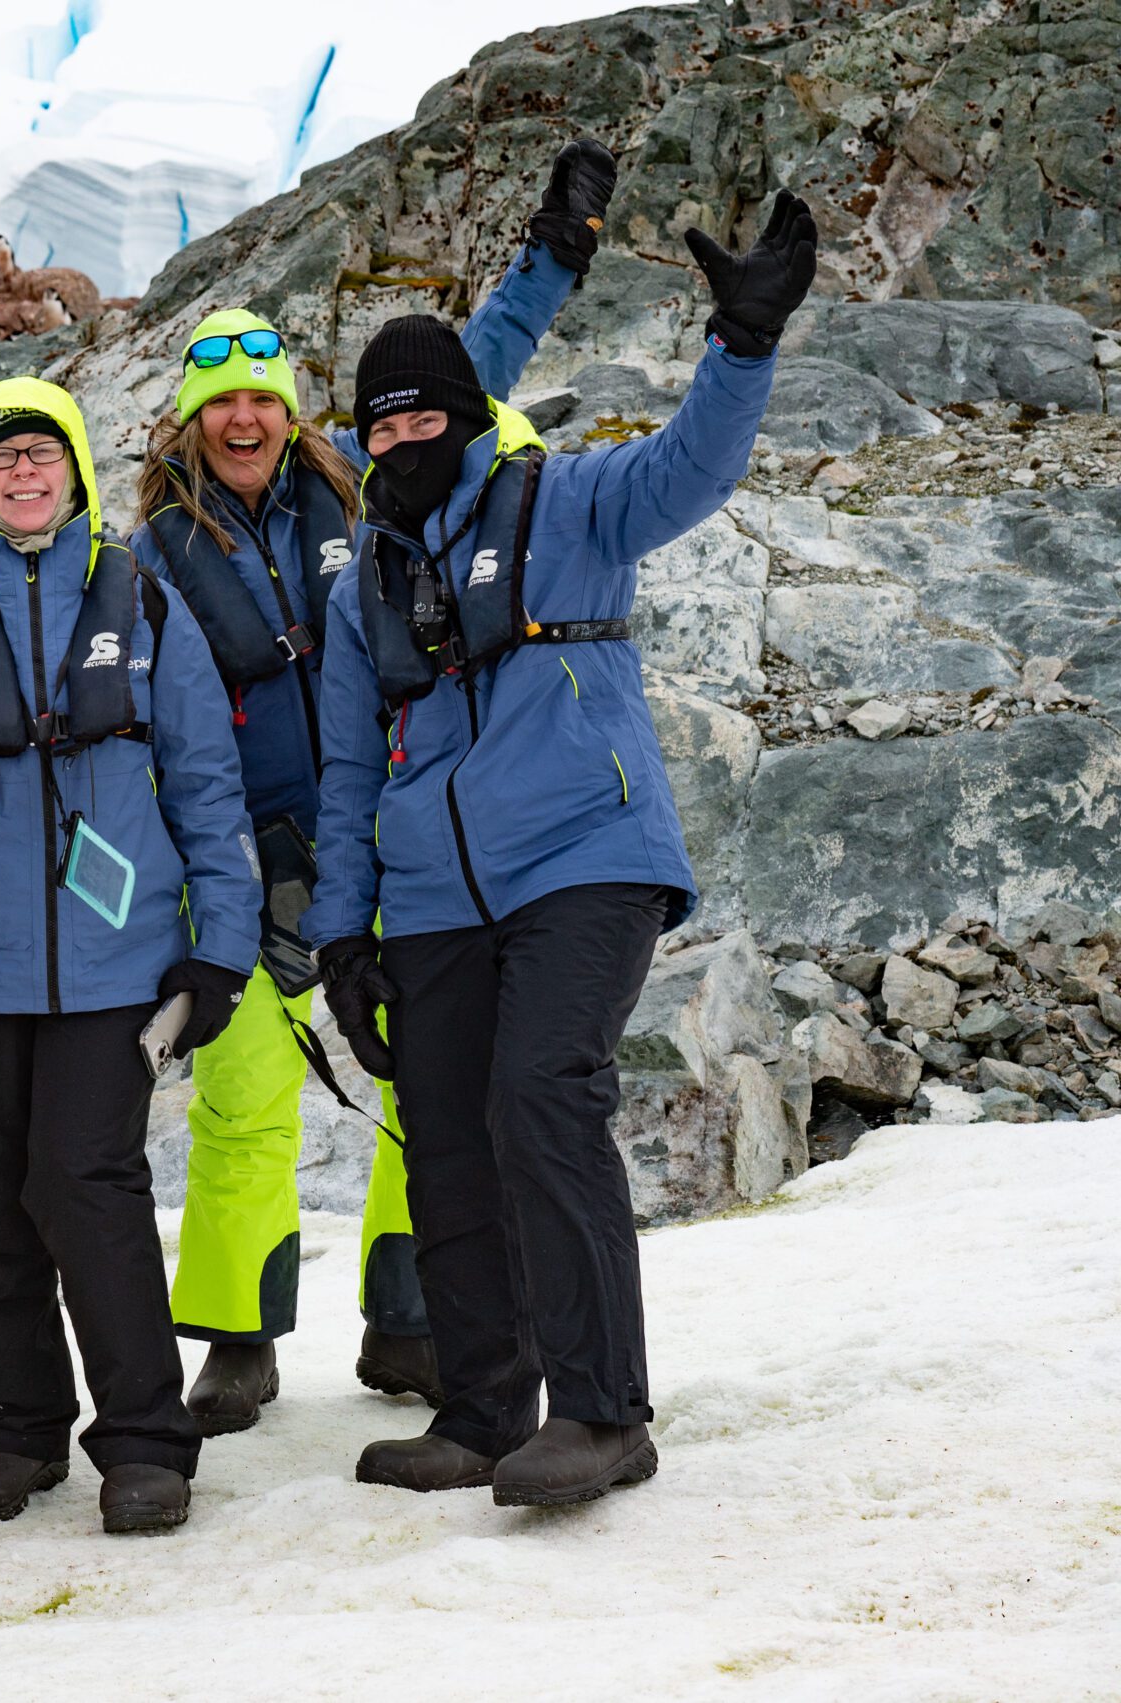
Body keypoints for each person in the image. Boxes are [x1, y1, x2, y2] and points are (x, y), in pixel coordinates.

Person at [307, 191, 818, 1505]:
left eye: (425, 413)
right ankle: (483, 1409)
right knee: (449, 1140)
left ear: (469, 417)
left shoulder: (566, 503)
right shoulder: (366, 574)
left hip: (587, 850)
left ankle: (602, 1411)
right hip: (430, 889)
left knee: (542, 1092)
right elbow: (354, 763)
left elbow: (693, 470)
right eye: (383, 423)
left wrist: (742, 347)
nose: (405, 436)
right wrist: (344, 931)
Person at [129, 139, 618, 1433]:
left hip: (385, 838)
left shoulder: (360, 480)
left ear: (289, 409)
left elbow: (474, 374)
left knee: (421, 1083)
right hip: (234, 858)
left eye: (265, 397)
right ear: (190, 415)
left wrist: (551, 260)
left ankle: (413, 1318)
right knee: (246, 1098)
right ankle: (239, 1333)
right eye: (221, 399)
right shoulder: (153, 553)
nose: (245, 419)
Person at [0, 377, 261, 1536]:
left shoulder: (140, 593)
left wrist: (221, 944)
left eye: (41, 456)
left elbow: (203, 773)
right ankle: (17, 1431)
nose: (22, 476)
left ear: (74, 469)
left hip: (115, 957)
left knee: (85, 1184)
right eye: (0, 462)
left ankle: (144, 1437)